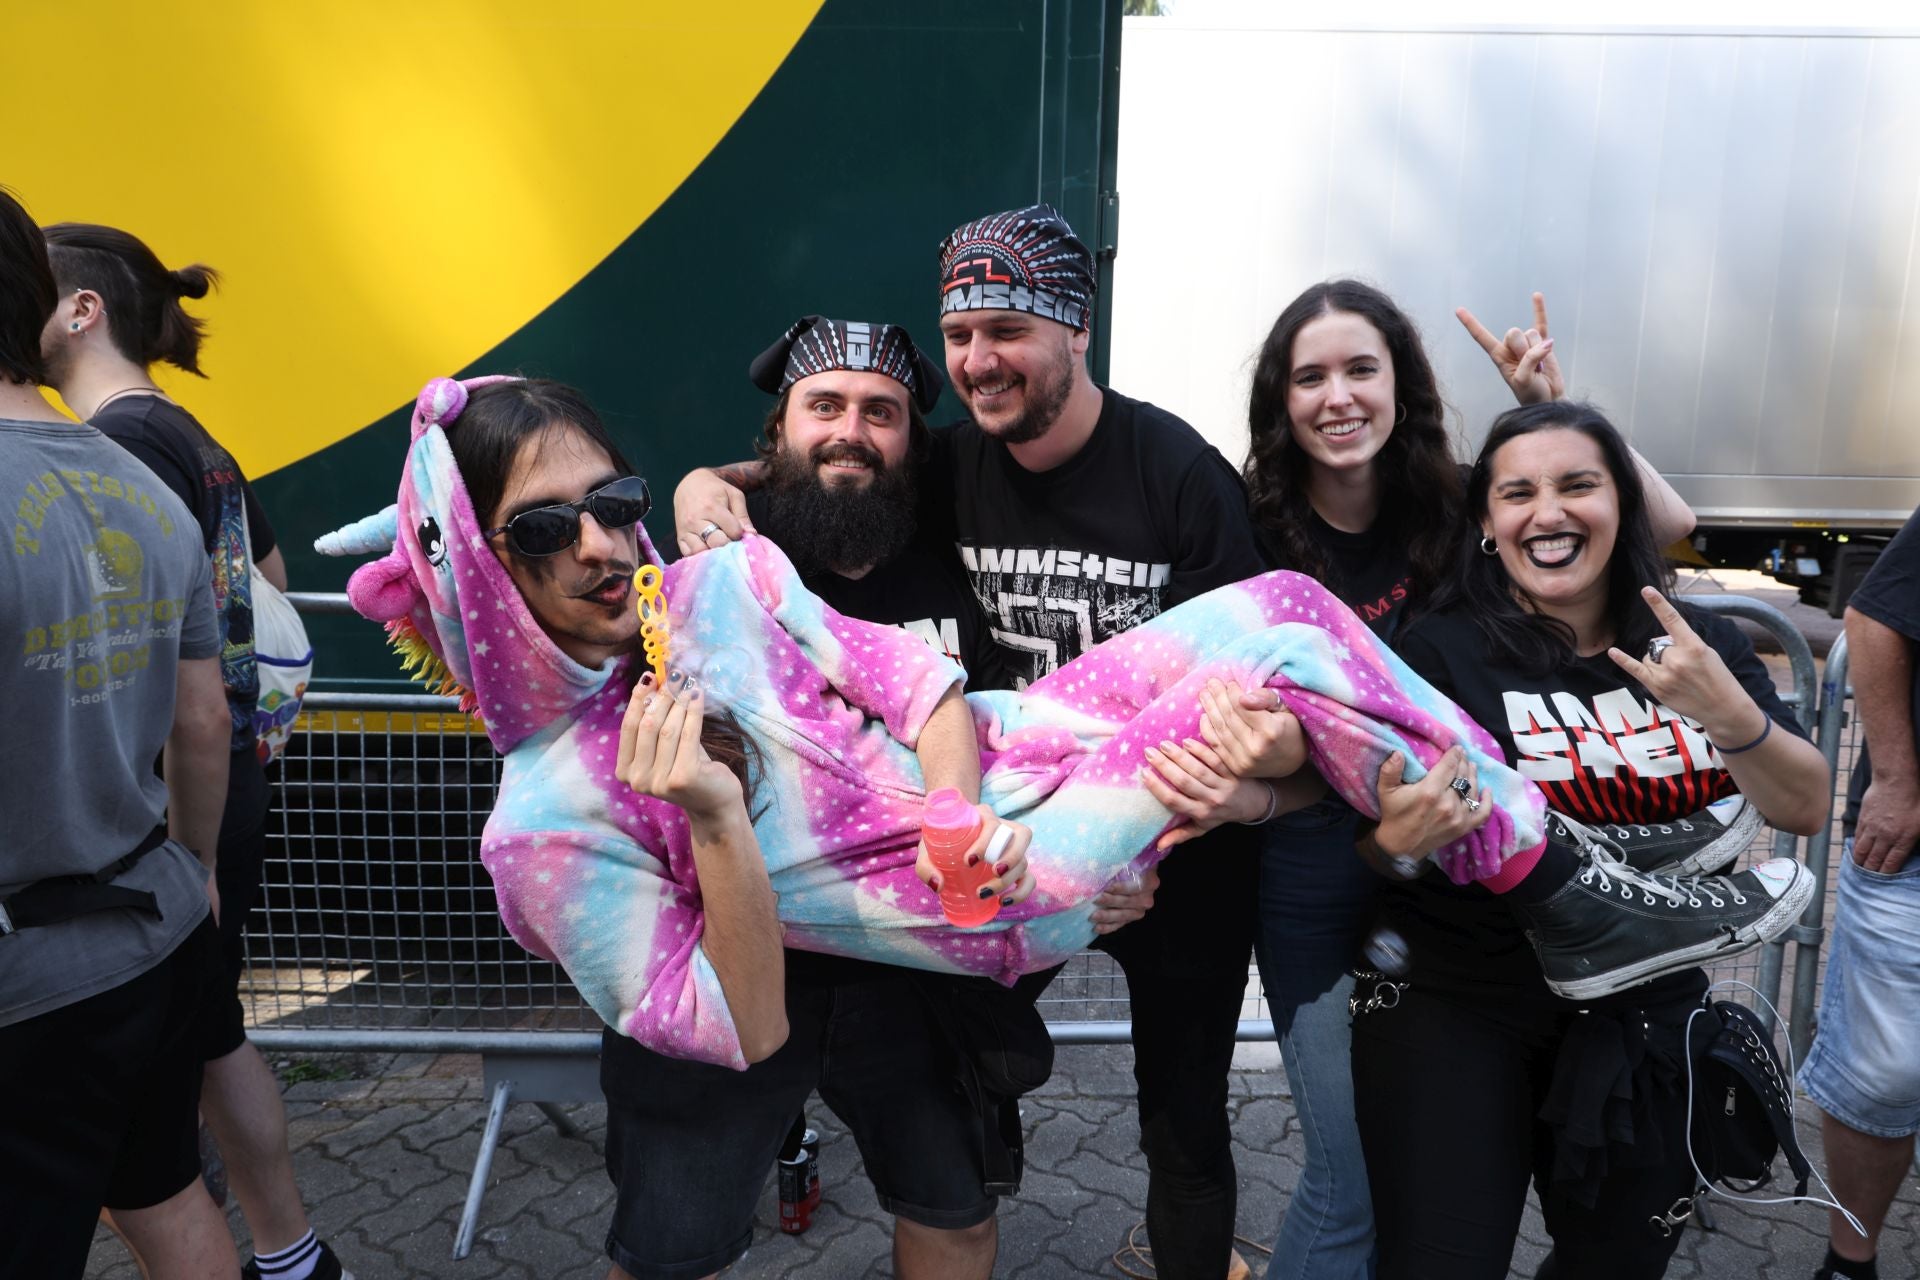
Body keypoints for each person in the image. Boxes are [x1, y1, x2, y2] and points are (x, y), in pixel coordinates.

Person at [1224, 281, 1704, 1276]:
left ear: (1403, 385)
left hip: (1464, 872)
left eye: (1363, 368)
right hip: (1322, 867)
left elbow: (1671, 520)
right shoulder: (1253, 523)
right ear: (1282, 399)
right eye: (1310, 376)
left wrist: (1556, 397)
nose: (1339, 395)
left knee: (1404, 1185)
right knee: (1346, 1181)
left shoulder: (1451, 494)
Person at [1350, 400, 1827, 1279]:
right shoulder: (1442, 649)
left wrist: (1727, 712)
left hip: (1646, 1015)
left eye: (1578, 486)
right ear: (1489, 524)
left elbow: (1804, 806)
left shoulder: (1701, 641)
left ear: (1621, 504)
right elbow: (1382, 855)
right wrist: (1397, 841)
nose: (1549, 512)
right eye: (1518, 493)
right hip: (1458, 1005)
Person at [37, 222, 347, 1280]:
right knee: (213, 1032)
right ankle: (289, 1249)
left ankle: (279, 1246)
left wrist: (189, 837)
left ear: (81, 312)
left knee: (203, 1046)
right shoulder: (191, 430)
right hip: (225, 776)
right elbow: (265, 571)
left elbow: (163, 664)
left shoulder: (111, 445)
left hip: (177, 799)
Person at [0, 186, 238, 1278]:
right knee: (165, 1188)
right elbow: (201, 719)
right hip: (156, 925)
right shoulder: (142, 486)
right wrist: (194, 867)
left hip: (31, 977)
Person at [1798, 503, 1920, 1280]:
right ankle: (1852, 1262)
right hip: (1911, 845)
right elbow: (1874, 620)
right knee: (1879, 1074)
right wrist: (1900, 782)